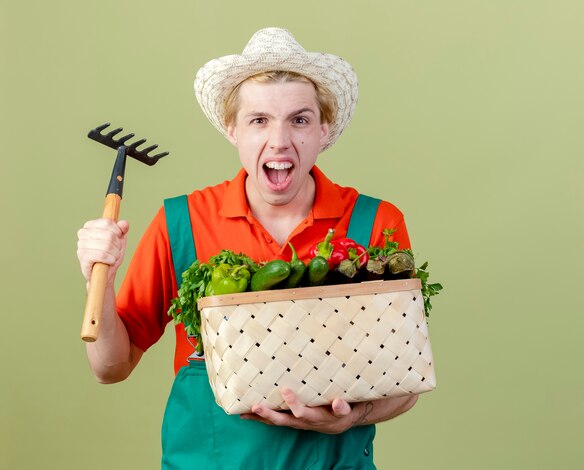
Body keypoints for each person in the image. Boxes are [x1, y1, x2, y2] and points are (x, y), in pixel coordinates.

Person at [77, 27, 418, 469]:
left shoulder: (376, 224)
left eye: (299, 119)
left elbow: (406, 385)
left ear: (323, 130)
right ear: (234, 130)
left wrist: (355, 415)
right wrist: (97, 280)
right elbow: (110, 366)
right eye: (259, 120)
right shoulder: (182, 224)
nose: (279, 141)